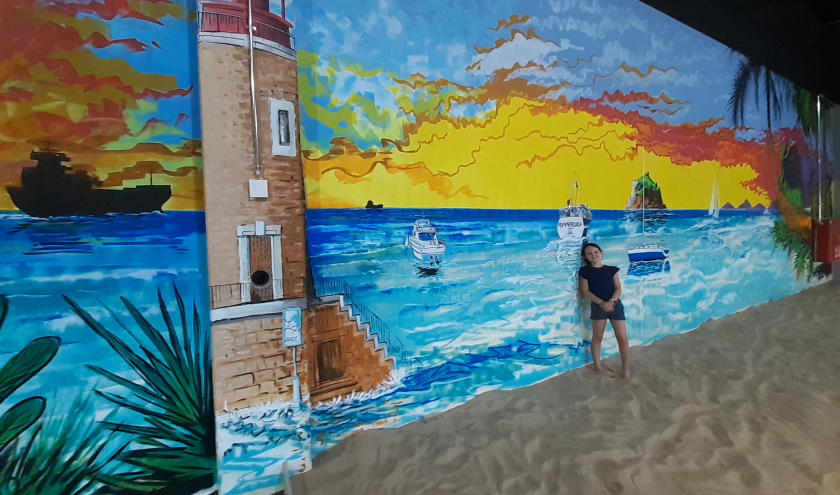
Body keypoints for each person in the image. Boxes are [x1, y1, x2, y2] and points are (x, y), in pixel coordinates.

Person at [578, 242, 630, 378]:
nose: (593, 255)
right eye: (589, 253)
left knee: (622, 337)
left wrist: (611, 302)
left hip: (615, 305)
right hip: (598, 307)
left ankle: (626, 370)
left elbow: (618, 288)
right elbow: (585, 291)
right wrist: (601, 303)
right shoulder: (584, 272)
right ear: (585, 257)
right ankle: (597, 366)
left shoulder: (612, 270)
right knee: (597, 336)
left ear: (601, 253)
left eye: (596, 252)